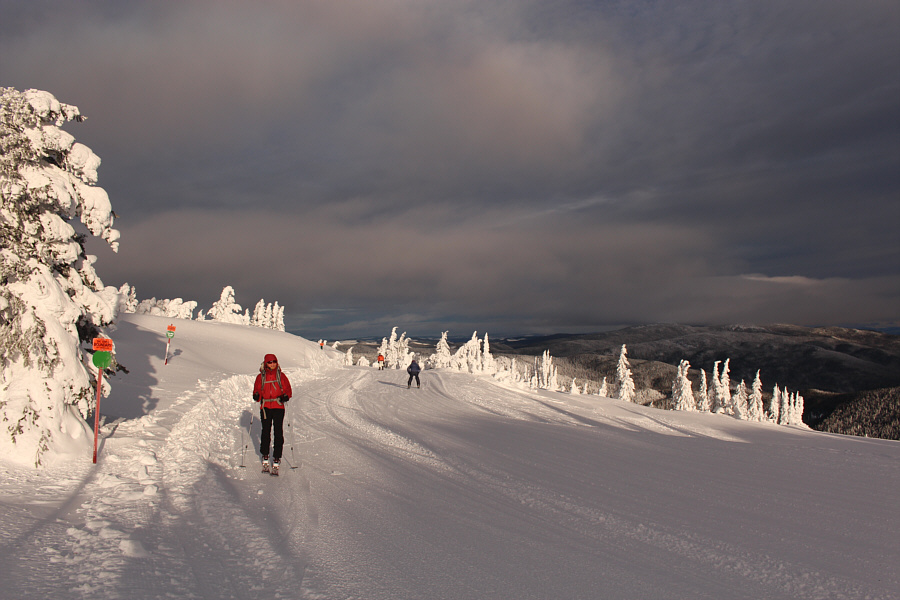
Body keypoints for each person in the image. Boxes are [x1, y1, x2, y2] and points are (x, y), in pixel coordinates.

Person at [252, 353, 292, 474]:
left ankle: (276, 457)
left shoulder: (281, 376)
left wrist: (285, 396)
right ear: (265, 363)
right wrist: (256, 395)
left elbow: (288, 390)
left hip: (278, 406)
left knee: (278, 432)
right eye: (270, 362)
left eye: (274, 361)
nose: (272, 364)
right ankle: (265, 454)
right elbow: (257, 390)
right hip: (265, 408)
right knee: (265, 431)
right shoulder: (260, 377)